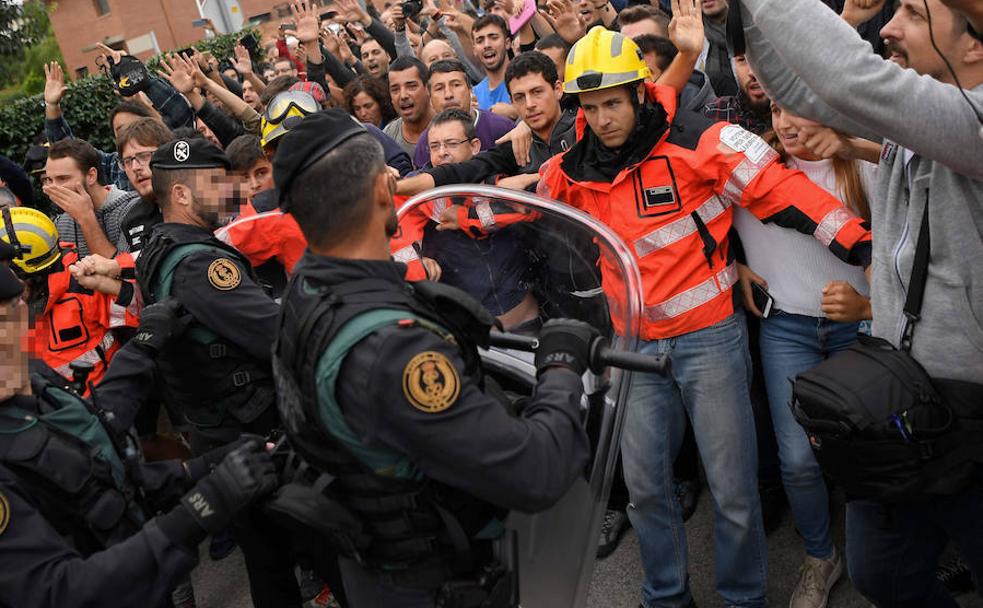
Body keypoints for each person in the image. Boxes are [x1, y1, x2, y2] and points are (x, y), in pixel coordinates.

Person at [537, 26, 874, 608]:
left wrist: (863, 248)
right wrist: (436, 214)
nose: (603, 119)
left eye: (612, 103)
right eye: (590, 108)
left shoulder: (703, 139)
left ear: (640, 93)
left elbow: (785, 190)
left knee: (734, 488)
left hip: (710, 340)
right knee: (645, 488)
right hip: (634, 345)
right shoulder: (573, 169)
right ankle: (665, 596)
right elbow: (517, 200)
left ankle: (743, 598)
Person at [270, 107, 592, 607]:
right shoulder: (394, 349)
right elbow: (537, 470)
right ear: (383, 191)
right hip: (434, 579)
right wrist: (560, 368)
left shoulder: (306, 291)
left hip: (375, 565)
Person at [737, 0, 983, 603]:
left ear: (975, 44)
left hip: (970, 415)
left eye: (915, 15)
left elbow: (848, 76)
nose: (889, 29)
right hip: (898, 401)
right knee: (881, 573)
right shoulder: (919, 121)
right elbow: (799, 85)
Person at [0, 239, 279, 608]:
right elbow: (59, 590)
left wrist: (209, 468)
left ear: (20, 312)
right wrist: (200, 509)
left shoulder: (36, 387)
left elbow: (102, 470)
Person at [135, 137, 302, 607]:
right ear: (183, 196)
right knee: (313, 547)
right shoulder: (199, 264)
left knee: (269, 561)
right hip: (252, 430)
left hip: (222, 432)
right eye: (217, 182)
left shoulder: (159, 248)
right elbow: (275, 333)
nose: (230, 190)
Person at [735, 102, 879, 608]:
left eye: (799, 109)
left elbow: (903, 257)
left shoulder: (863, 168)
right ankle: (821, 557)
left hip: (855, 334)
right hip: (785, 331)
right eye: (776, 110)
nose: (786, 123)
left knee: (866, 453)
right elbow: (699, 224)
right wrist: (734, 265)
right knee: (797, 459)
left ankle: (883, 560)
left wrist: (867, 305)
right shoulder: (749, 170)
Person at [0, 207, 139, 391]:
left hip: (100, 400)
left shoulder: (85, 287)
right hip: (44, 409)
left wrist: (112, 282)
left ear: (22, 269)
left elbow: (136, 315)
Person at [42, 139, 139, 258]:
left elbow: (123, 271)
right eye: (49, 180)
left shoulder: (132, 210)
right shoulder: (61, 223)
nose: (54, 188)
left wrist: (86, 217)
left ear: (91, 176)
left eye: (63, 179)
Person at [413, 59, 517, 169]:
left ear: (470, 90)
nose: (448, 94)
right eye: (439, 88)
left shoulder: (502, 128)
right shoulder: (425, 141)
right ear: (430, 97)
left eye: (456, 85)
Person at [115, 118, 176, 254]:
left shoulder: (196, 203)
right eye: (128, 161)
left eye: (143, 156)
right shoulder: (131, 218)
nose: (135, 167)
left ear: (167, 153)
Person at [383, 56, 437, 159]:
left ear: (428, 89)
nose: (403, 95)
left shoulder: (450, 127)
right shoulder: (388, 137)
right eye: (395, 89)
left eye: (411, 86)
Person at [471, 15, 519, 118]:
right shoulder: (474, 95)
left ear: (507, 43)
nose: (487, 45)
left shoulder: (525, 79)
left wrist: (515, 113)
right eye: (480, 41)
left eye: (493, 38)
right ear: (474, 50)